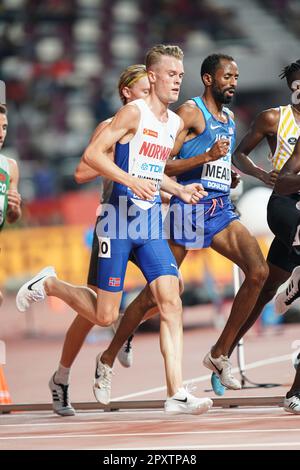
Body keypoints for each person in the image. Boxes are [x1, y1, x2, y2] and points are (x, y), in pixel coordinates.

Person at [16, 44, 213, 415]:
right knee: (104, 316)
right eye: (171, 75)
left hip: (150, 220)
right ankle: (50, 284)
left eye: (181, 76)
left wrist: (180, 189)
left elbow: (154, 173)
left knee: (171, 298)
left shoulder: (172, 124)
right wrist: (128, 179)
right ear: (151, 77)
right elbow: (89, 158)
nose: (177, 82)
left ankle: (176, 392)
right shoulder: (130, 114)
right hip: (116, 219)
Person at [91, 53, 268, 396]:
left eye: (236, 76)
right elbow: (162, 166)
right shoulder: (188, 112)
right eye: (227, 76)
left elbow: (214, 163)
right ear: (208, 79)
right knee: (154, 298)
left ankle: (219, 354)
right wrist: (205, 159)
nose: (233, 82)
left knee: (258, 271)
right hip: (187, 208)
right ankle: (110, 353)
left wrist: (226, 174)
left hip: (216, 206)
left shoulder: (229, 118)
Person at [0, 105, 22, 306]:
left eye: (5, 127)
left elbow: (12, 217)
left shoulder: (10, 166)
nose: (1, 134)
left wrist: (13, 208)